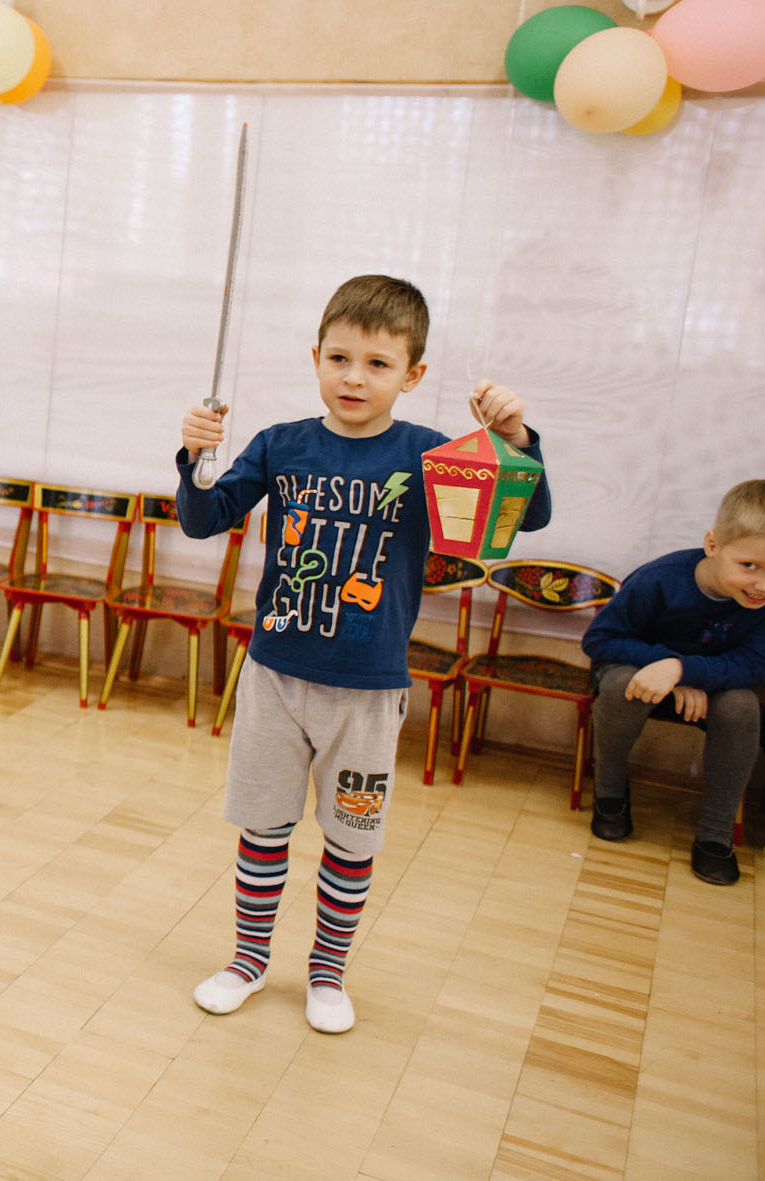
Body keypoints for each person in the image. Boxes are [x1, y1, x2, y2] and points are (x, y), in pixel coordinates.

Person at [175, 274, 551, 1033]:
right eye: (339, 357)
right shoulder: (281, 443)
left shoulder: (428, 454)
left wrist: (515, 442)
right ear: (316, 357)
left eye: (378, 364)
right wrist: (192, 458)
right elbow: (202, 518)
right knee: (264, 828)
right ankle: (250, 959)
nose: (354, 376)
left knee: (351, 839)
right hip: (276, 677)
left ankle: (326, 973)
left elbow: (526, 516)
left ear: (412, 375)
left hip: (371, 689)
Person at [582, 479, 765, 885]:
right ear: (713, 545)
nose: (761, 585)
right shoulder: (661, 579)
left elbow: (753, 665)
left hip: (711, 685)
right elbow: (599, 640)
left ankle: (715, 836)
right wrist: (669, 668)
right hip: (635, 673)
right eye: (748, 566)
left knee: (742, 706)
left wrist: (683, 670)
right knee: (620, 687)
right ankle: (610, 793)